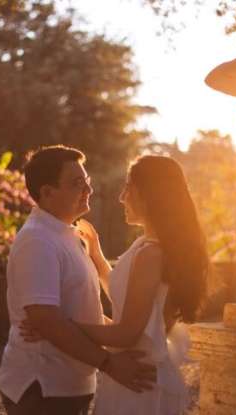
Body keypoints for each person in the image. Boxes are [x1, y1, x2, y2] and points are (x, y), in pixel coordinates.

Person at [21, 155, 209, 414]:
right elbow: (128, 299)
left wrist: (60, 327)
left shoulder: (151, 254)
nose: (122, 197)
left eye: (128, 188)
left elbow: (127, 333)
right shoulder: (150, 246)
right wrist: (97, 257)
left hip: (136, 378)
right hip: (135, 375)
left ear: (148, 194)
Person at [0, 145, 157, 415]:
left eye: (87, 182)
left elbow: (79, 314)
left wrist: (119, 338)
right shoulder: (38, 240)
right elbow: (45, 319)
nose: (88, 190)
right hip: (44, 389)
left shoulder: (68, 236)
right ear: (47, 192)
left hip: (69, 386)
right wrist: (109, 363)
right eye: (77, 183)